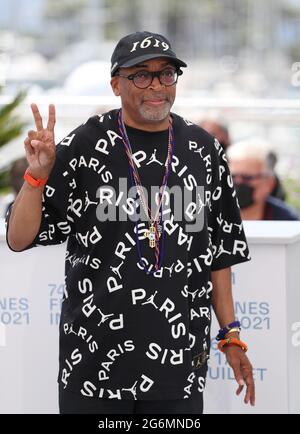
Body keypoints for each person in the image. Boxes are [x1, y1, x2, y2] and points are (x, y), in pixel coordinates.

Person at [6, 31, 255, 414]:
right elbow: (19, 239)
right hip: (93, 367)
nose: (156, 85)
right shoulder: (85, 145)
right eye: (141, 75)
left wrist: (231, 336)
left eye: (166, 74)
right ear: (116, 84)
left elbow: (218, 255)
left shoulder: (203, 149)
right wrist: (36, 176)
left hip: (178, 366)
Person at [227, 138, 299, 220]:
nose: (238, 181)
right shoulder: (212, 215)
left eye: (247, 177)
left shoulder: (287, 221)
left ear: (269, 183)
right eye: (232, 176)